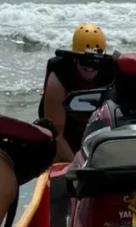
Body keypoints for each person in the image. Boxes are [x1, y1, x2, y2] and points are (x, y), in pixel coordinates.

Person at [39, 23, 116, 163]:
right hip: (65, 136)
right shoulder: (60, 76)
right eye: (85, 60)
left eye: (95, 62)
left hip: (96, 134)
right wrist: (78, 168)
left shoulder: (110, 71)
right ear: (75, 57)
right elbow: (56, 134)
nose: (90, 67)